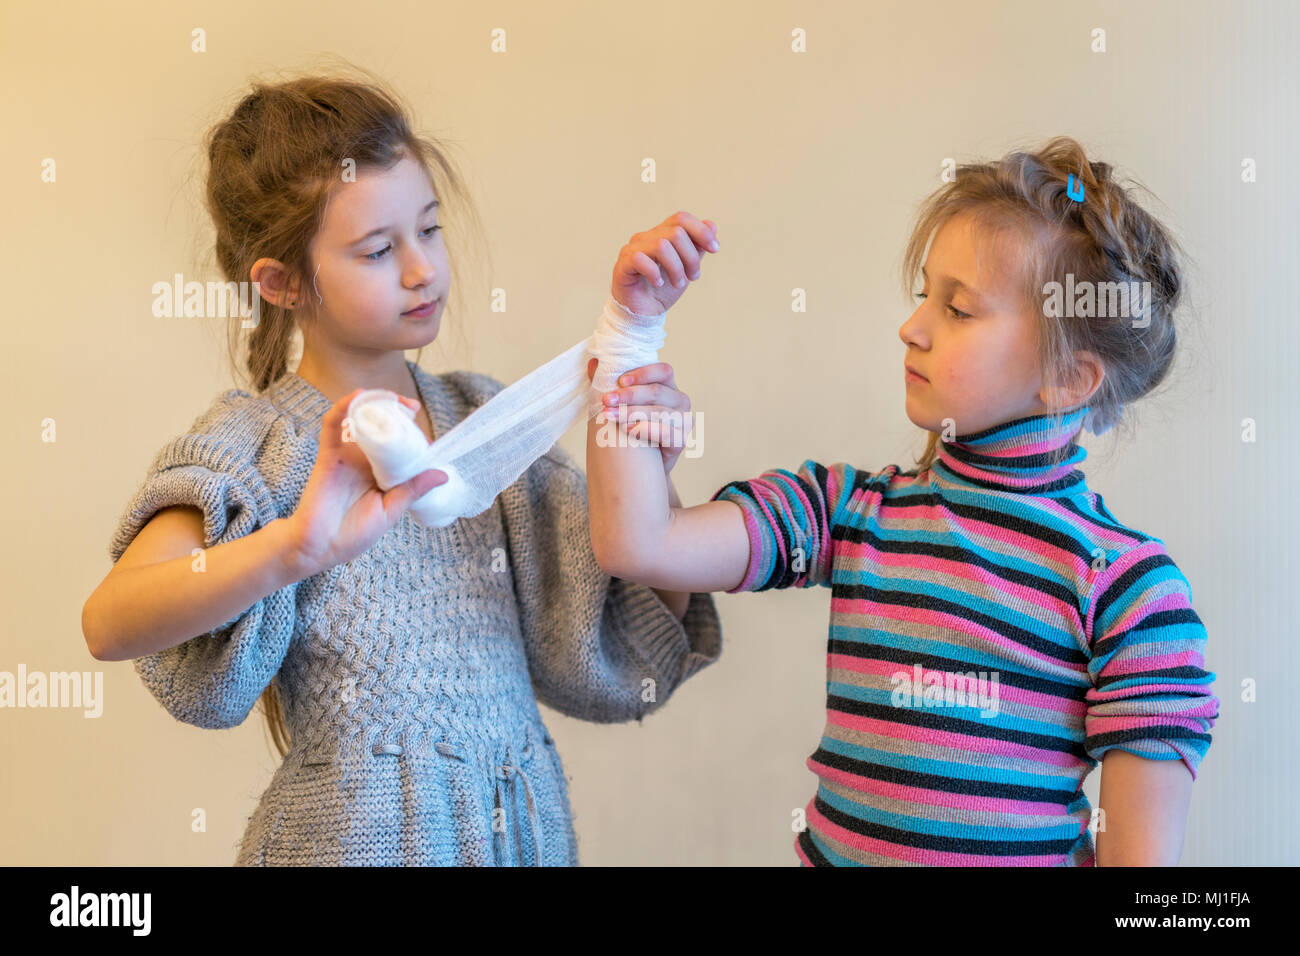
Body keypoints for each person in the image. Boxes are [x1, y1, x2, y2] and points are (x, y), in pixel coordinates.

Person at [82, 71, 722, 866]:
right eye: (379, 250)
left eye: (431, 229)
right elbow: (111, 621)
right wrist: (297, 548)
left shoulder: (486, 427)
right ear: (281, 283)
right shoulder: (251, 446)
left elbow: (623, 639)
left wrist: (649, 476)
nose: (422, 270)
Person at [586, 138, 1219, 866]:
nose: (911, 327)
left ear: (1070, 379)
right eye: (924, 295)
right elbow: (640, 543)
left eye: (958, 309)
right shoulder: (845, 512)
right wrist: (632, 333)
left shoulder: (1131, 594)